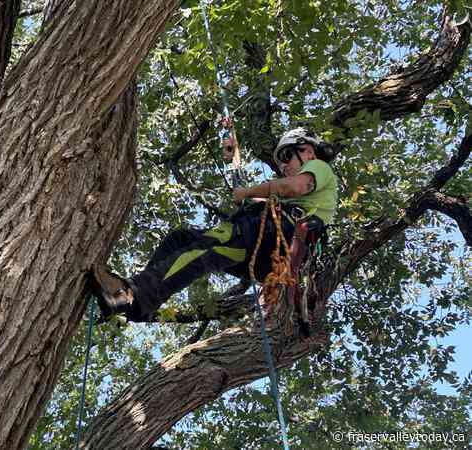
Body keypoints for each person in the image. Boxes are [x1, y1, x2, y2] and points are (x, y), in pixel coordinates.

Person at [90, 128, 338, 322]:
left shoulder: (318, 167)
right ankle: (141, 301)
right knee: (182, 240)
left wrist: (247, 192)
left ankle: (133, 296)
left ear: (308, 150)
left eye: (286, 157)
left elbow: (292, 186)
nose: (284, 167)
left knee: (203, 250)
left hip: (277, 235)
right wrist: (233, 161)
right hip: (267, 250)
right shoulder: (300, 196)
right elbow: (257, 198)